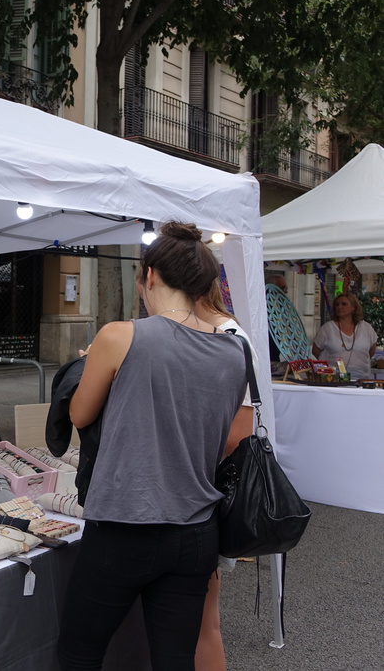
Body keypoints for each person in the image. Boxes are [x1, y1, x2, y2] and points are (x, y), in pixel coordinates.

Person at [56, 222, 248, 671]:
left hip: (124, 524)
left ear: (150, 275)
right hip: (197, 529)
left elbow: (78, 414)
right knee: (175, 659)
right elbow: (222, 436)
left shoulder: (120, 336)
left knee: (79, 654)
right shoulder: (234, 352)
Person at [193, 281, 258, 671]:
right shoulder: (216, 331)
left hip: (208, 490)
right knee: (198, 616)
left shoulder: (228, 336)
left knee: (204, 618)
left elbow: (238, 433)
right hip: (200, 490)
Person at [312, 292, 378, 379]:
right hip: (333, 379)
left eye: (344, 304)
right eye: (337, 305)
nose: (339, 307)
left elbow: (371, 351)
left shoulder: (366, 328)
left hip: (361, 378)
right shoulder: (327, 328)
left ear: (353, 307)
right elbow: (316, 351)